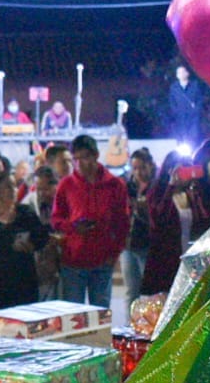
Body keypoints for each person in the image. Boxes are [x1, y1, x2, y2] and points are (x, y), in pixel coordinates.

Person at [49, 135, 129, 309]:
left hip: (102, 261)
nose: (79, 164)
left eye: (84, 157)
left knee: (100, 314)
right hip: (73, 262)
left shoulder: (114, 185)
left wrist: (113, 254)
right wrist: (73, 227)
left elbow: (122, 223)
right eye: (75, 159)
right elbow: (56, 219)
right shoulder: (66, 185)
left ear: (95, 155)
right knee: (72, 315)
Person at [0, 171, 50, 310]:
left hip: (23, 280)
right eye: (8, 187)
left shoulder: (26, 213)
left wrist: (31, 245)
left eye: (15, 186)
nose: (13, 191)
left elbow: (42, 237)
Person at [120, 150, 156, 316]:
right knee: (131, 291)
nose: (139, 172)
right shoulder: (128, 187)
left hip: (148, 244)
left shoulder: (157, 186)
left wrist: (146, 210)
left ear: (150, 165)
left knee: (150, 292)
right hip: (128, 244)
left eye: (142, 167)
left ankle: (150, 327)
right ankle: (130, 328)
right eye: (135, 168)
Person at [26, 166, 62, 301]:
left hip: (63, 262)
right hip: (38, 265)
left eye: (45, 189)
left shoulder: (63, 201)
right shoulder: (29, 203)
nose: (41, 193)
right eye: (38, 189)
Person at [168, 66, 208, 150]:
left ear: (187, 73)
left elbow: (200, 99)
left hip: (193, 117)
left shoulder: (195, 85)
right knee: (181, 137)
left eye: (183, 72)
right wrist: (176, 111)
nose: (181, 74)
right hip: (180, 117)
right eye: (179, 73)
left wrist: (196, 110)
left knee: (193, 137)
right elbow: (172, 102)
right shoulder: (174, 87)